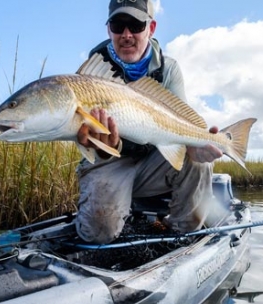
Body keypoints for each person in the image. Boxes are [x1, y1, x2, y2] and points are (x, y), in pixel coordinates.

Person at [74, 0, 223, 244]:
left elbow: (182, 121)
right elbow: (83, 138)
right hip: (110, 163)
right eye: (118, 25)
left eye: (135, 24)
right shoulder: (89, 75)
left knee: (197, 162)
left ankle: (182, 236)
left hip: (155, 161)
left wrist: (196, 144)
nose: (127, 34)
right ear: (108, 29)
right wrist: (99, 147)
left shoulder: (169, 69)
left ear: (151, 28)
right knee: (98, 234)